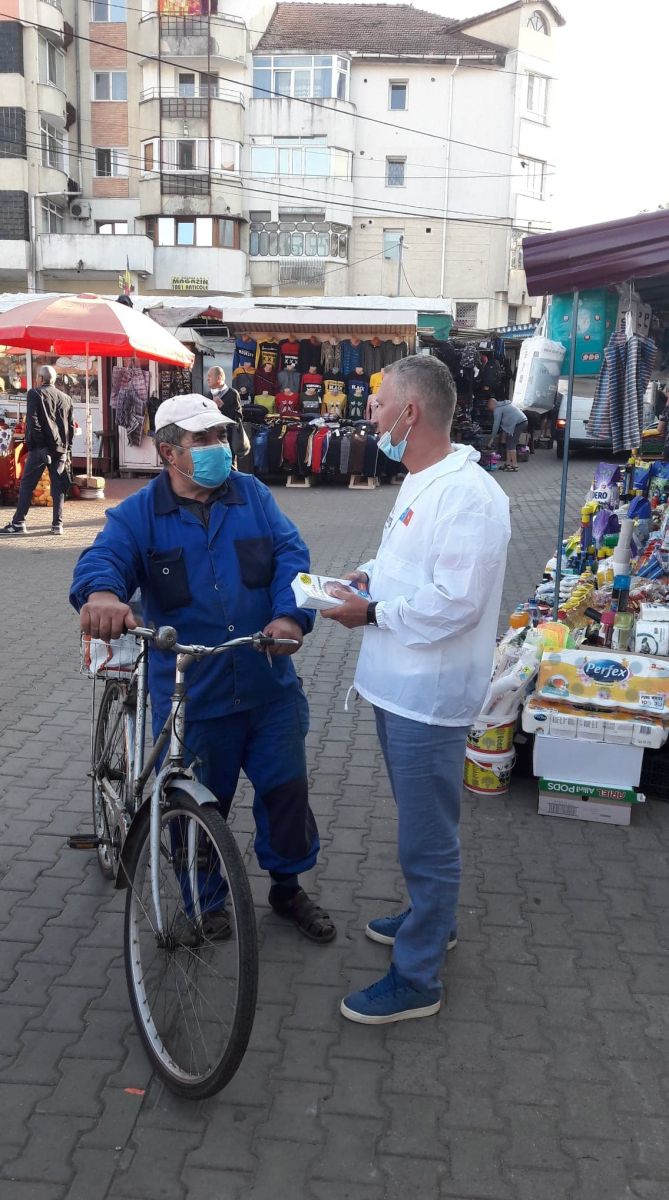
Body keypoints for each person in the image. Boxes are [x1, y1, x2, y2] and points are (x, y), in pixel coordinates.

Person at [70, 394, 335, 945]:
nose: (219, 447)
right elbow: (104, 557)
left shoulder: (252, 495)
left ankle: (287, 889)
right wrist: (102, 594)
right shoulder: (140, 513)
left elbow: (291, 555)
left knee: (286, 794)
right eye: (203, 439)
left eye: (221, 435)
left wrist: (290, 616)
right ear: (168, 452)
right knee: (193, 807)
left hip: (268, 683)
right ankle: (205, 900)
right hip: (194, 697)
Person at [322, 355, 510, 1024]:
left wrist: (371, 612)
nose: (369, 415)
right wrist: (364, 578)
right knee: (419, 821)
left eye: (378, 404)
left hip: (428, 696)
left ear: (410, 412)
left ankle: (418, 976)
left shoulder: (470, 495)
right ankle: (432, 919)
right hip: (396, 685)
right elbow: (404, 559)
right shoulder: (423, 478)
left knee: (426, 839)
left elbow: (457, 601)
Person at [1, 365, 74, 536]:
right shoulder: (66, 398)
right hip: (60, 448)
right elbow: (70, 427)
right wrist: (67, 450)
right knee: (58, 486)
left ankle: (19, 523)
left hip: (41, 448)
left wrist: (40, 447)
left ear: (40, 379)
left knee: (27, 484)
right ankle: (57, 525)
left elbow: (33, 422)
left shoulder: (35, 394)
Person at [206, 365, 249, 467]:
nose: (207, 379)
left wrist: (222, 406)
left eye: (210, 376)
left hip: (228, 439)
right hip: (212, 440)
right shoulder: (208, 395)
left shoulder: (232, 393)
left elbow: (238, 417)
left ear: (219, 378)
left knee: (230, 466)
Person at [487, 396, 528, 471]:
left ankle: (515, 466)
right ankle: (508, 464)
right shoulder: (504, 404)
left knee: (512, 444)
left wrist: (492, 438)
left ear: (492, 404)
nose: (489, 409)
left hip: (519, 423)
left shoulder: (497, 408)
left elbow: (496, 424)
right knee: (509, 443)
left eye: (489, 407)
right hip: (520, 422)